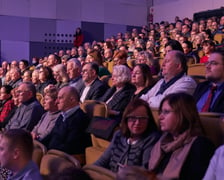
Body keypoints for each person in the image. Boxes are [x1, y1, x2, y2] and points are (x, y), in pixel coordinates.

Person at [148, 93, 215, 180]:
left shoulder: (200, 145)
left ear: (183, 114)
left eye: (166, 112)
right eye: (160, 112)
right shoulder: (162, 141)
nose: (160, 117)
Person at [94, 98, 160, 173]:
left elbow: (146, 172)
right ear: (126, 119)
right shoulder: (119, 135)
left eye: (143, 118)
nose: (137, 122)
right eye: (133, 118)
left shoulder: (152, 139)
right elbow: (102, 161)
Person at [42, 86, 91, 155]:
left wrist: (48, 152)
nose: (56, 102)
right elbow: (51, 136)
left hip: (64, 158)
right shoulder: (61, 116)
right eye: (57, 98)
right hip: (52, 153)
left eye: (60, 98)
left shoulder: (80, 119)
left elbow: (69, 147)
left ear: (72, 100)